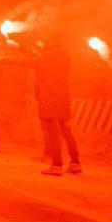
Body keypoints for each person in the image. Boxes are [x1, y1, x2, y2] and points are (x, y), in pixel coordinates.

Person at [31, 38, 81, 176]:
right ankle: (75, 163)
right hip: (63, 100)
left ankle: (56, 165)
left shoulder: (46, 61)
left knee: (53, 135)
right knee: (66, 132)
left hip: (49, 101)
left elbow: (25, 61)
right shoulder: (63, 59)